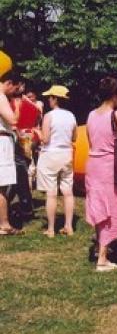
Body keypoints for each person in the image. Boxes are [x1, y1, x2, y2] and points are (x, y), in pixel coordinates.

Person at [85, 77, 117, 272]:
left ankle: (101, 248)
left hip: (93, 165)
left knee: (99, 208)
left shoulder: (91, 115)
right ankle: (103, 259)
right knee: (112, 209)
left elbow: (91, 142)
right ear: (115, 95)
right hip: (109, 168)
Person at [34, 85, 77, 237]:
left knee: (51, 193)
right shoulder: (71, 116)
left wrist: (37, 132)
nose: (48, 100)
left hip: (50, 155)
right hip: (66, 154)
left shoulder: (49, 116)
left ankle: (51, 229)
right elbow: (74, 138)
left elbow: (45, 140)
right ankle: (69, 226)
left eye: (50, 97)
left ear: (55, 99)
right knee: (68, 192)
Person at [8, 79, 35, 223]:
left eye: (20, 84)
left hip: (22, 142)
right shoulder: (11, 102)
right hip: (21, 141)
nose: (18, 86)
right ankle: (25, 207)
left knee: (20, 175)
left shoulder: (22, 104)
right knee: (19, 176)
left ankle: (25, 207)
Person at [0, 72, 21, 235]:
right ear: (8, 83)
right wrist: (18, 107)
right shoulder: (1, 97)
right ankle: (4, 224)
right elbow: (12, 120)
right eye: (14, 88)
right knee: (3, 185)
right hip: (2, 143)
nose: (14, 92)